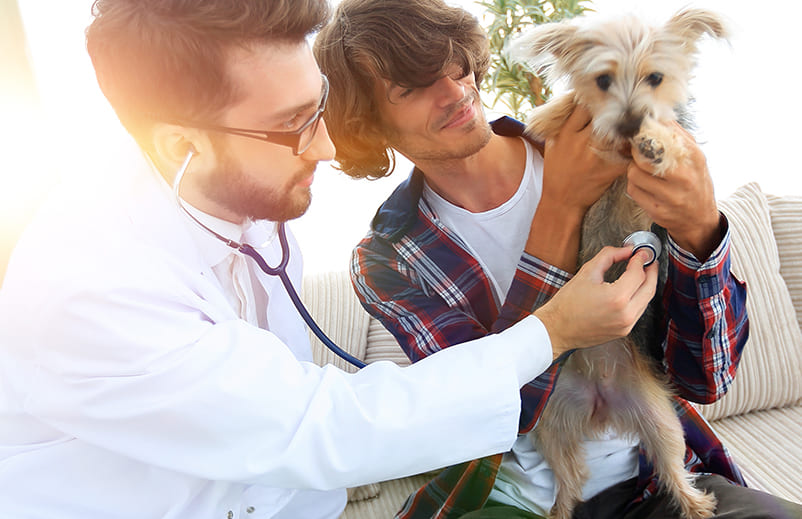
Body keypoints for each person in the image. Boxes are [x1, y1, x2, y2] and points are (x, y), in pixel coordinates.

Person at [0, 1, 662, 518]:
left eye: (318, 106)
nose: (322, 148)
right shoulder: (85, 287)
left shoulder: (241, 195)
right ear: (182, 148)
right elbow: (320, 426)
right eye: (293, 125)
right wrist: (555, 328)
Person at [315, 1, 802, 518]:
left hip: (654, 480)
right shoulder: (388, 259)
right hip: (513, 499)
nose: (455, 92)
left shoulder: (611, 149)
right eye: (409, 89)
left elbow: (706, 378)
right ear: (369, 123)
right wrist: (561, 207)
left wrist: (702, 230)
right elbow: (487, 412)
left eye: (453, 64)